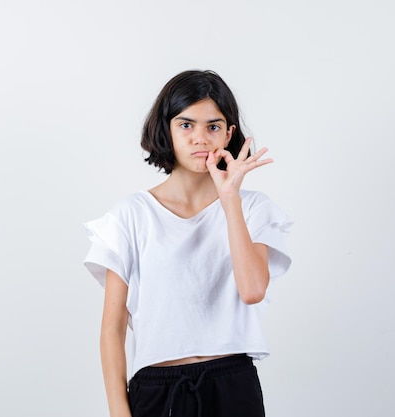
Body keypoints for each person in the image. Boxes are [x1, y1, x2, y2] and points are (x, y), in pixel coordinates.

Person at [83, 69, 292, 417]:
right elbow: (113, 327)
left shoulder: (252, 208)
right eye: (186, 124)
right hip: (158, 390)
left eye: (213, 126)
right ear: (166, 129)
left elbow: (253, 289)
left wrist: (230, 199)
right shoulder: (131, 216)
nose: (200, 138)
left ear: (229, 133)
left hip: (232, 384)